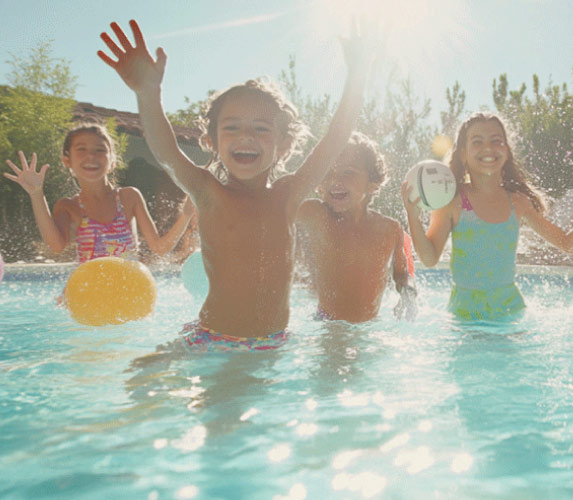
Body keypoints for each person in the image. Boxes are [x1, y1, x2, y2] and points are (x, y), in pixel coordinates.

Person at [98, 20, 370, 350]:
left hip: (272, 341)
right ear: (211, 141)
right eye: (232, 128)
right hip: (213, 337)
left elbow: (335, 138)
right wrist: (147, 93)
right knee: (143, 385)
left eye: (260, 128)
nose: (246, 137)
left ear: (282, 144)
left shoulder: (288, 195)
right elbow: (167, 154)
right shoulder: (208, 192)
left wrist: (357, 76)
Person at [401, 112, 573, 321]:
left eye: (496, 140)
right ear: (462, 154)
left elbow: (568, 244)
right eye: (477, 141)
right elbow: (429, 259)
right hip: (466, 312)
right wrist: (412, 213)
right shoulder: (453, 201)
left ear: (507, 150)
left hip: (509, 309)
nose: (488, 148)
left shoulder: (518, 203)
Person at [4, 123, 194, 263]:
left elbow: (160, 248)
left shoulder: (129, 198)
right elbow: (56, 246)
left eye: (99, 150)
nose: (91, 156)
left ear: (112, 161)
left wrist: (186, 215)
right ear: (67, 161)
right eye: (81, 149)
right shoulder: (68, 206)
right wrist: (36, 194)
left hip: (128, 291)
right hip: (90, 297)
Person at [296, 132, 416, 323]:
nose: (335, 180)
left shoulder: (389, 229)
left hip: (370, 325)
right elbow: (277, 212)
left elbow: (401, 274)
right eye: (327, 172)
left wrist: (408, 294)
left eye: (348, 172)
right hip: (327, 323)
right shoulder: (315, 215)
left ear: (372, 181)